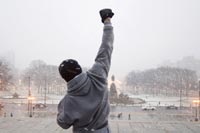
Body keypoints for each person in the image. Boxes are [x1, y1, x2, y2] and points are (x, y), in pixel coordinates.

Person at [57, 9, 114, 133]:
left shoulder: (68, 101)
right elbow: (106, 47)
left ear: (65, 78)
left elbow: (63, 123)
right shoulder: (97, 75)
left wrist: (61, 108)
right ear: (79, 69)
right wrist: (107, 21)